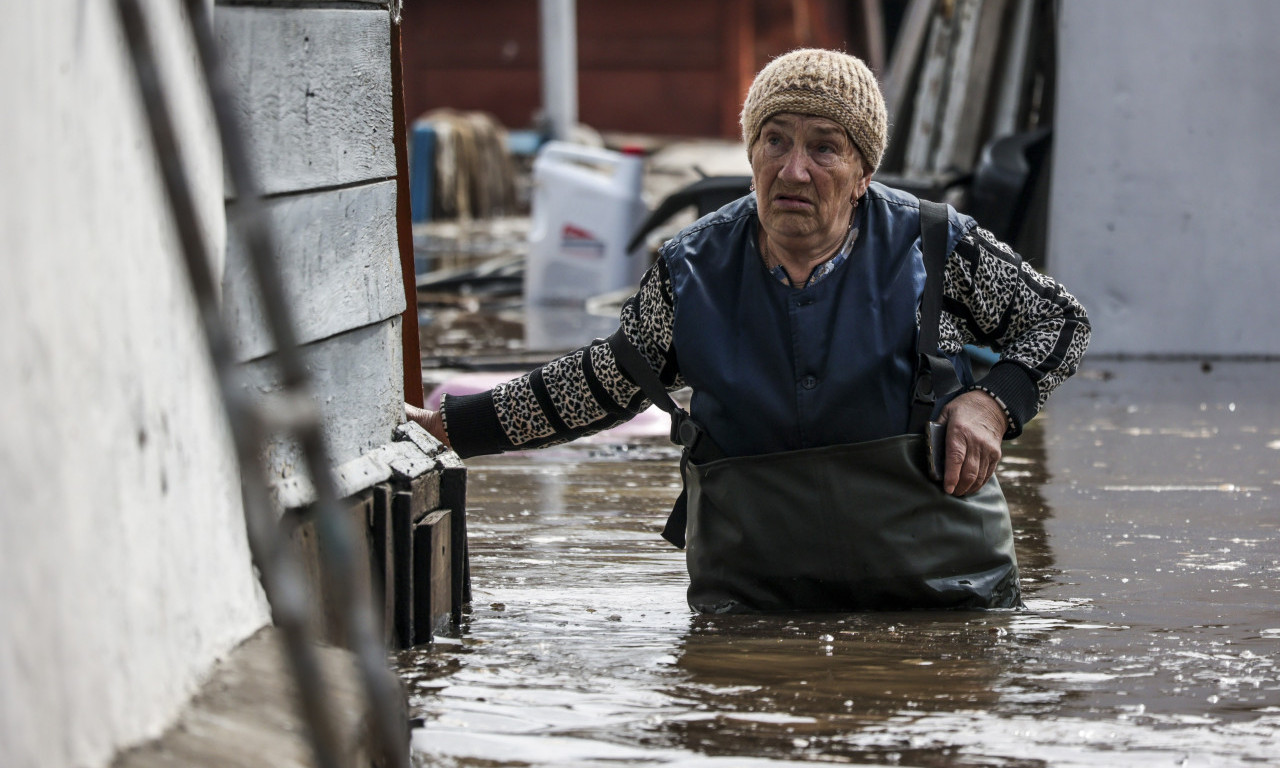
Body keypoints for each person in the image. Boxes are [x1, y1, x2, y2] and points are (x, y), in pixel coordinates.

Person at [407, 48, 1090, 614]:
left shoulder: (936, 245)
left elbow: (1059, 321)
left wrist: (994, 403)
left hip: (942, 595)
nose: (794, 169)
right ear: (753, 151)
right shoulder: (690, 269)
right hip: (755, 598)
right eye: (776, 140)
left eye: (825, 148)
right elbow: (603, 385)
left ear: (863, 175)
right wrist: (453, 428)